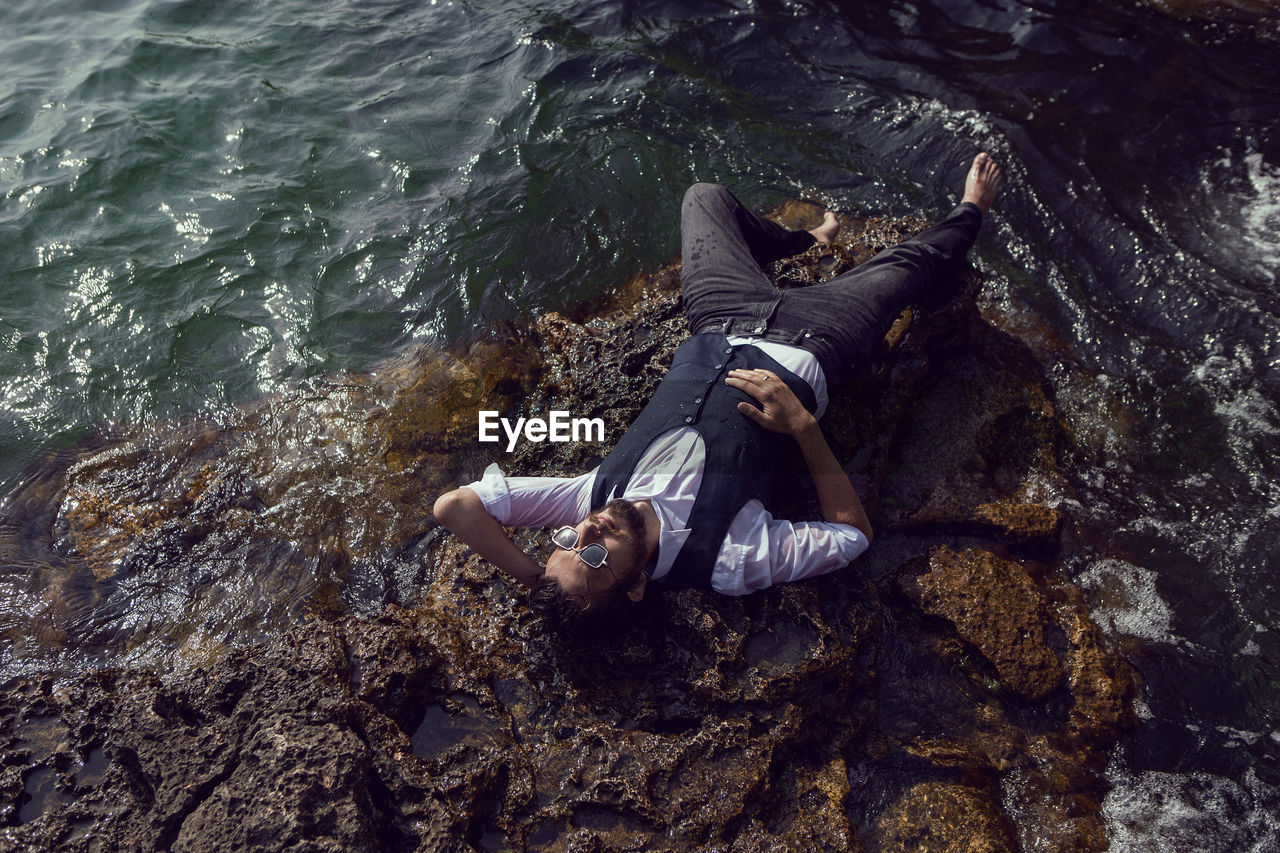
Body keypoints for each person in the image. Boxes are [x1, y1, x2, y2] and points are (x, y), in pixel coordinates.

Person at [433, 153, 1002, 629]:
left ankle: (808, 238)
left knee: (704, 196)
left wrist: (541, 580)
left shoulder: (590, 502)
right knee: (916, 263)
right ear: (635, 588)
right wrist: (803, 427)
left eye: (567, 541)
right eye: (594, 556)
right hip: (823, 337)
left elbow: (456, 506)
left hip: (722, 316)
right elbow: (851, 540)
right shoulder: (726, 558)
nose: (589, 531)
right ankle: (973, 209)